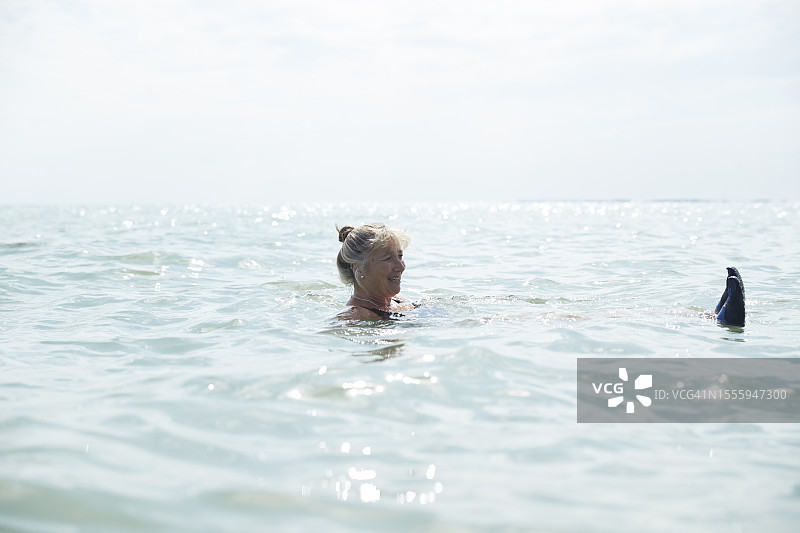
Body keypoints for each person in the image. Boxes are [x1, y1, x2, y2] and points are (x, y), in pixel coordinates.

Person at [335, 223, 417, 320]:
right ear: (358, 268)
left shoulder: (398, 301)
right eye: (388, 258)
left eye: (400, 256)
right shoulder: (353, 317)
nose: (401, 267)